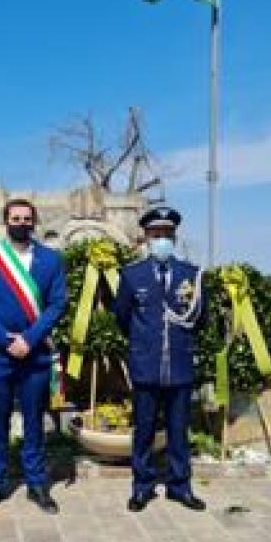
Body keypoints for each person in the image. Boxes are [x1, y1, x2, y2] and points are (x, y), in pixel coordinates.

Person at [0, 198, 67, 515]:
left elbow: (57, 304)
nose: (21, 223)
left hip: (35, 353)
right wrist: (4, 339)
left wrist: (29, 338)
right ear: (6, 221)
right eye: (15, 218)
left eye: (27, 218)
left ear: (34, 222)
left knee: (35, 421)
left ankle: (37, 484)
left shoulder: (51, 260)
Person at [112, 206, 207, 512]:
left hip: (179, 365)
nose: (162, 239)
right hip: (146, 365)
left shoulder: (190, 274)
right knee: (144, 430)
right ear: (146, 237)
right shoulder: (131, 275)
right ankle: (142, 487)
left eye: (167, 234)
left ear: (174, 237)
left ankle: (180, 486)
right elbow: (122, 318)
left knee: (179, 431)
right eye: (156, 234)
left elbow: (199, 318)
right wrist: (144, 343)